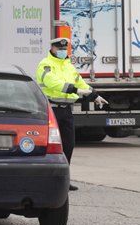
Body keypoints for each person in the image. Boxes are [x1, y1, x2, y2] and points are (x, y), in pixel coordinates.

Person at [37, 37, 107, 192]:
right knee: (51, 146)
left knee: (69, 145)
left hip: (66, 110)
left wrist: (94, 95)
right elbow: (52, 83)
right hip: (52, 109)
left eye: (65, 49)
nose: (63, 52)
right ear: (53, 49)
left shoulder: (68, 65)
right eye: (60, 49)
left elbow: (80, 82)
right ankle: (48, 180)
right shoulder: (45, 65)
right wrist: (74, 90)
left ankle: (64, 180)